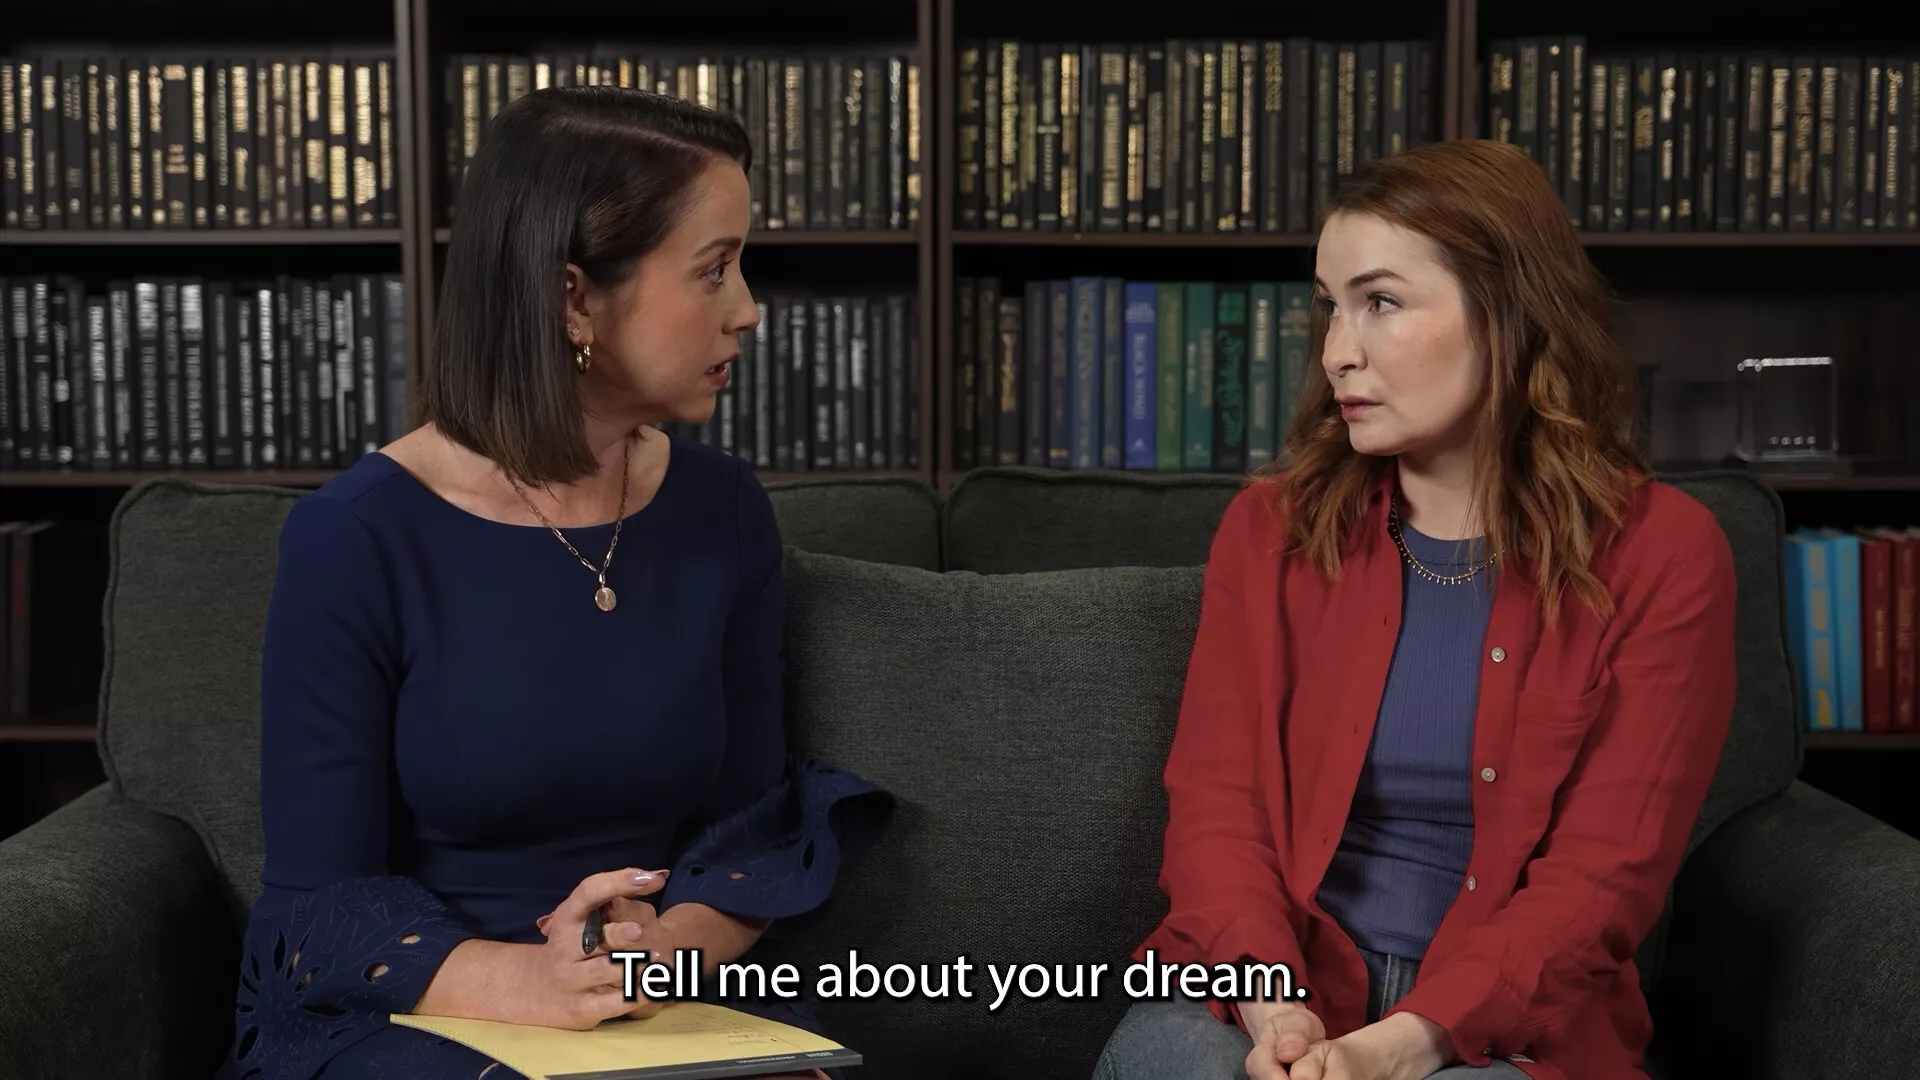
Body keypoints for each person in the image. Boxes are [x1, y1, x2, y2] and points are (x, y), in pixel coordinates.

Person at [219, 86, 892, 1080]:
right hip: (425, 1011)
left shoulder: (724, 510)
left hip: (651, 1002)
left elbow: (746, 832)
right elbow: (317, 906)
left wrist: (659, 957)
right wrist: (532, 983)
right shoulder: (355, 536)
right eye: (714, 270)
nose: (748, 310)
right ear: (575, 299)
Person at [1094, 139, 1737, 1080]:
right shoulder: (1268, 530)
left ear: (1508, 312)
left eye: (1381, 303)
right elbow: (1217, 810)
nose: (1337, 351)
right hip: (1266, 998)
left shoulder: (1665, 553)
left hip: (1514, 1033)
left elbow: (1603, 878)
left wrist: (1394, 1050)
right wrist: (1275, 1010)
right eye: (1330, 306)